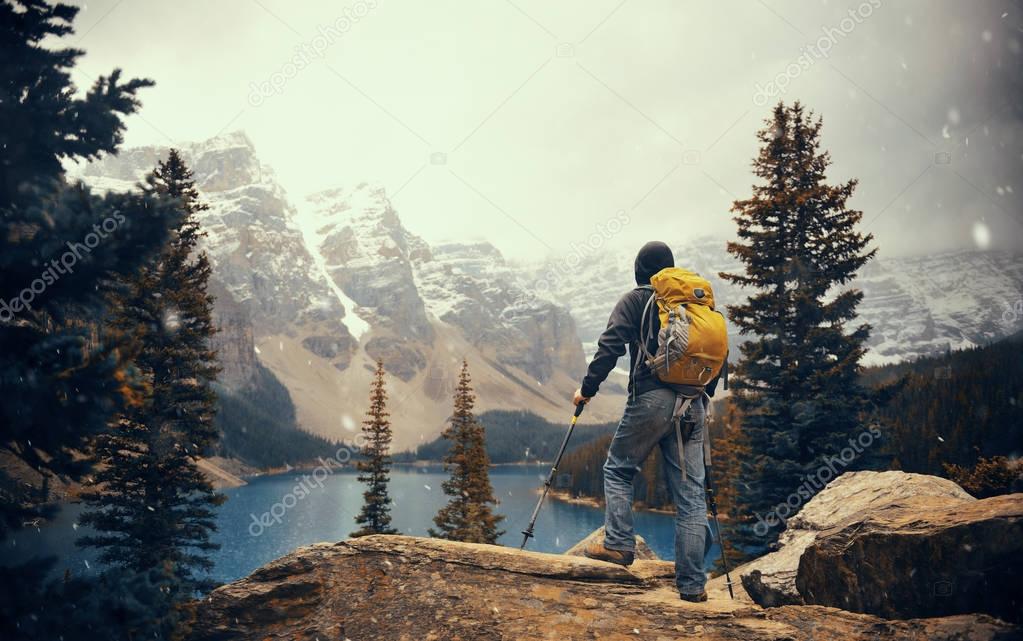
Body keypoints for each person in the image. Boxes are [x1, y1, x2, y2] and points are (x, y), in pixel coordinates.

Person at [573, 240, 721, 603]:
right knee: (689, 497)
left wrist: (586, 390)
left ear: (639, 271)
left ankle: (620, 546)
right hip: (694, 401)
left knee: (619, 469)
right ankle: (691, 587)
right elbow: (715, 356)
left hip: (652, 397)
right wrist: (699, 393)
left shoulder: (637, 299)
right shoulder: (692, 304)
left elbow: (610, 346)